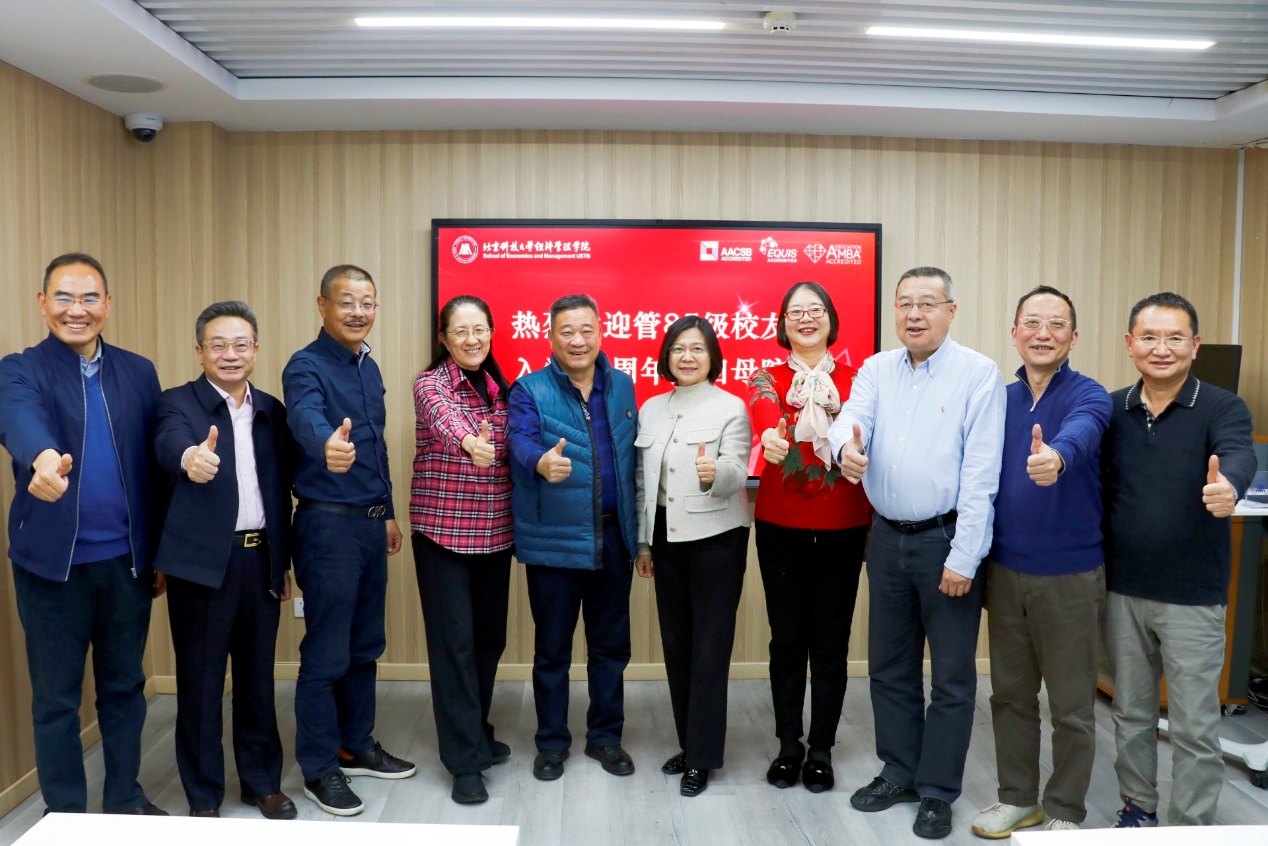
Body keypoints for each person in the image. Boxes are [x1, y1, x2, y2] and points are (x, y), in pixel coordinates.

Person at [830, 266, 1006, 840]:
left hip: (945, 541)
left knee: (951, 677)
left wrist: (965, 555)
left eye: (927, 303)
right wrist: (844, 448)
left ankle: (937, 790)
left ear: (951, 310)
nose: (914, 314)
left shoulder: (978, 373)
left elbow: (981, 473)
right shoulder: (877, 369)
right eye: (905, 302)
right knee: (889, 667)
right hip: (884, 539)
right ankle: (899, 771)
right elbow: (851, 419)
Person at [0, 253, 167, 815]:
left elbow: (154, 462)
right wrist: (44, 458)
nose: (78, 310)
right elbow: (18, 417)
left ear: (108, 304)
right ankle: (65, 817)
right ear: (42, 303)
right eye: (65, 298)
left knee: (124, 689)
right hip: (52, 568)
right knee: (56, 700)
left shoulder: (139, 371)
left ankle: (125, 800)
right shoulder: (19, 369)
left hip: (127, 564)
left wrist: (159, 552)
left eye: (90, 298)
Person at [1102, 292, 1255, 828]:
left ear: (1195, 345)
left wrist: (1229, 485)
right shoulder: (1112, 409)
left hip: (1192, 594)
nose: (1161, 348)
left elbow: (1238, 452)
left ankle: (1191, 826)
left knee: (1194, 724)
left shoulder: (1222, 406)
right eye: (1149, 337)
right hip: (1122, 589)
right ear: (1130, 344)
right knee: (1131, 713)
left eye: (1174, 338)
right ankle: (1137, 808)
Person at [970, 286, 1111, 838]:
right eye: (1032, 322)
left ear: (1073, 337)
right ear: (1014, 333)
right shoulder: (996, 399)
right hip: (1005, 571)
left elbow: (1082, 432)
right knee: (1009, 695)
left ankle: (1066, 809)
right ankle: (1017, 798)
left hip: (1070, 575)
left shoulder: (1089, 394)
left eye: (1056, 324)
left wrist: (1056, 456)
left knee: (1072, 706)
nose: (1043, 333)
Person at [152, 301, 298, 820]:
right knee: (201, 684)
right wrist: (189, 458)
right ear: (200, 351)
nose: (230, 354)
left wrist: (282, 562)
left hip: (260, 561)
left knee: (258, 680)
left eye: (240, 344)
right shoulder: (176, 404)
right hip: (201, 567)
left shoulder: (272, 410)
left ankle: (261, 782)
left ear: (255, 350)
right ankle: (203, 797)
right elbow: (168, 444)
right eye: (218, 344)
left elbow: (280, 490)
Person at [282, 264, 414, 816]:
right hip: (327, 526)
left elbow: (376, 445)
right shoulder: (305, 365)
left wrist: (387, 511)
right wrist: (325, 446)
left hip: (368, 523)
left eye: (367, 302)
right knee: (327, 651)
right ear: (323, 305)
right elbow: (305, 417)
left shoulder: (369, 366)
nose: (358, 312)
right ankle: (319, 767)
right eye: (347, 301)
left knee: (365, 646)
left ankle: (355, 744)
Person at [746, 281, 871, 794]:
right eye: (795, 311)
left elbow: (867, 428)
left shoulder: (860, 379)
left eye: (815, 309)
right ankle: (788, 745)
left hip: (844, 525)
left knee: (831, 642)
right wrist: (770, 437)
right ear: (783, 323)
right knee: (787, 640)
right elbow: (764, 414)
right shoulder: (766, 377)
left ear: (830, 319)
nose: (806, 318)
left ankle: (821, 749)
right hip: (780, 526)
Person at [507, 293, 639, 782]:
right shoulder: (529, 389)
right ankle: (551, 743)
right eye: (567, 331)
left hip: (614, 540)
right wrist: (540, 462)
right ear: (550, 337)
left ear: (601, 332)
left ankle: (606, 738)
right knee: (552, 652)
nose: (578, 340)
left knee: (610, 649)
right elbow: (518, 439)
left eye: (586, 330)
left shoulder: (622, 386)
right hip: (554, 544)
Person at [634, 316, 752, 798]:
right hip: (665, 538)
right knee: (677, 645)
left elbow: (738, 469)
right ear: (667, 355)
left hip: (717, 540)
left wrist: (713, 473)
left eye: (698, 349)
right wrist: (643, 544)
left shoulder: (730, 406)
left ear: (712, 357)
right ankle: (689, 743)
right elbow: (643, 484)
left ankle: (703, 758)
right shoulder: (651, 408)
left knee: (709, 651)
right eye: (679, 348)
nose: (687, 356)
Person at [410, 295, 514, 805]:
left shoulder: (501, 388)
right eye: (461, 331)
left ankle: (476, 730)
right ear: (444, 338)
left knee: (489, 640)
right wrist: (473, 444)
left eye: (480, 330)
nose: (472, 339)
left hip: (496, 535)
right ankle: (464, 762)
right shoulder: (430, 384)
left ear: (491, 333)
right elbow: (447, 421)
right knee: (455, 647)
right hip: (444, 535)